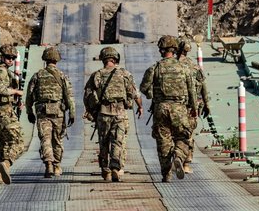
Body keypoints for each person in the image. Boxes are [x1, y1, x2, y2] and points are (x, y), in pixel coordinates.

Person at [140, 35, 197, 182]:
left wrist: (154, 96)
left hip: (161, 108)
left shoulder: (155, 68)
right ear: (175, 49)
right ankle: (178, 155)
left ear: (161, 50)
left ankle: (166, 174)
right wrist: (194, 107)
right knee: (184, 136)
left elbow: (144, 88)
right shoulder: (184, 68)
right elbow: (192, 90)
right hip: (179, 108)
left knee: (163, 141)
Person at [83, 46, 143, 182]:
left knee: (103, 142)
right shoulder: (124, 74)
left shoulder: (97, 75)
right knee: (118, 141)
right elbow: (135, 93)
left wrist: (91, 110)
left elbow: (87, 95)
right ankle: (115, 167)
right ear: (115, 59)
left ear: (103, 59)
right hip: (120, 113)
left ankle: (106, 171)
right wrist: (140, 106)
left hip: (103, 113)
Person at [25, 46, 75, 178]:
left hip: (42, 112)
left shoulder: (37, 75)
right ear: (57, 60)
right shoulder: (62, 76)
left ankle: (48, 163)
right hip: (58, 111)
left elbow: (29, 96)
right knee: (57, 140)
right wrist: (72, 113)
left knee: (45, 139)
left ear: (45, 59)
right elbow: (69, 96)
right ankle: (57, 166)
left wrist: (29, 112)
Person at [0, 44, 25, 185]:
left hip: (0, 110)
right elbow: (0, 89)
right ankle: (6, 164)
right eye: (8, 57)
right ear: (1, 56)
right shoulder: (1, 71)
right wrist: (16, 92)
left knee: (4, 143)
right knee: (19, 142)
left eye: (13, 58)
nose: (11, 60)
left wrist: (15, 100)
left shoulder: (2, 71)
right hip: (3, 112)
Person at [177, 37, 210, 174]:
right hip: (192, 107)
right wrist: (207, 104)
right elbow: (203, 86)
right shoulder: (195, 67)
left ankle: (176, 155)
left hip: (176, 105)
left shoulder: (172, 66)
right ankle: (186, 162)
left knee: (174, 133)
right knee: (189, 134)